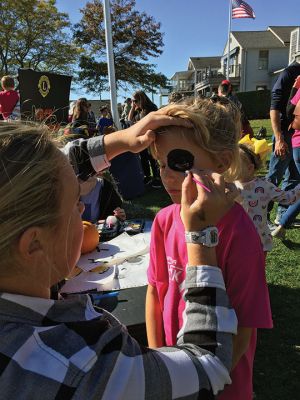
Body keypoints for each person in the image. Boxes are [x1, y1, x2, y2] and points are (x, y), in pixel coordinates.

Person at [0, 117, 238, 399]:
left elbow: (22, 175)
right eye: (76, 203)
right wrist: (200, 236)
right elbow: (207, 366)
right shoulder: (84, 368)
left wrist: (119, 140)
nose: (82, 208)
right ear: (34, 244)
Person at [146, 97, 273, 400]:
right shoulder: (164, 221)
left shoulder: (240, 234)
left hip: (220, 385)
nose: (166, 174)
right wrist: (154, 360)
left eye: (179, 162)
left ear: (222, 161)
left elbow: (245, 325)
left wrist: (204, 383)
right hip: (171, 371)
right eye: (161, 164)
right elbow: (156, 291)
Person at [235, 143, 300, 251]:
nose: (227, 167)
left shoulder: (264, 186)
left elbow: (288, 198)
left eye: (233, 165)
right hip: (237, 239)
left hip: (259, 240)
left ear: (249, 168)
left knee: (256, 267)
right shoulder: (228, 186)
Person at [266, 52, 300, 225]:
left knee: (293, 176)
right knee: (274, 175)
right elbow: (275, 107)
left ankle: (283, 213)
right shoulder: (289, 73)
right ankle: (262, 217)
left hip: (296, 134)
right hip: (284, 132)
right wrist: (279, 138)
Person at [272, 74, 300, 237]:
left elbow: (289, 110)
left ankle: (282, 219)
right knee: (279, 177)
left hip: (296, 143)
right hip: (293, 142)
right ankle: (282, 222)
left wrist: (296, 88)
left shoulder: (298, 90)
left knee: (293, 180)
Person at [128, 90, 161, 188]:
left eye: (136, 101)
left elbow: (153, 123)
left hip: (151, 137)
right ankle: (148, 176)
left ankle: (157, 178)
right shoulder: (138, 110)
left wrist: (139, 125)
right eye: (133, 101)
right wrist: (132, 107)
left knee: (153, 158)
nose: (134, 103)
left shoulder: (151, 108)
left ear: (142, 99)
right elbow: (129, 119)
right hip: (141, 138)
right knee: (143, 158)